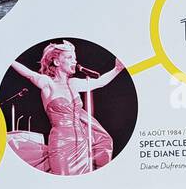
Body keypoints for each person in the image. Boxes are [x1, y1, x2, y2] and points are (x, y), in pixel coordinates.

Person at [7, 41, 124, 174]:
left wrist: (117, 69)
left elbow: (100, 82)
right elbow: (29, 74)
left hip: (82, 143)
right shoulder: (48, 84)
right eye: (69, 58)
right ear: (57, 62)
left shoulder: (73, 83)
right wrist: (8, 59)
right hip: (61, 143)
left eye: (75, 58)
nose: (74, 61)